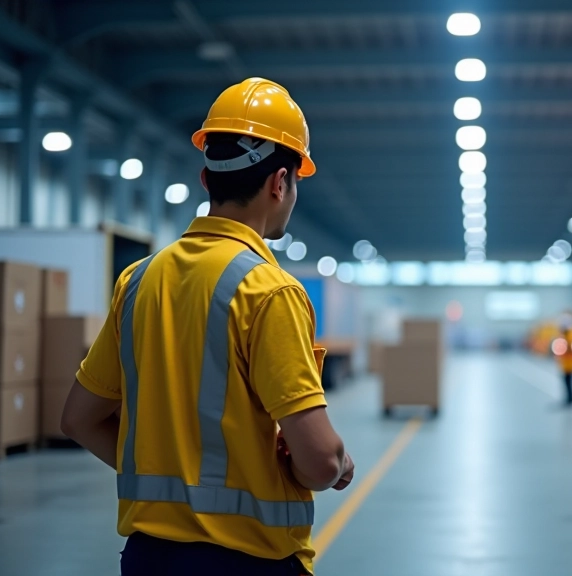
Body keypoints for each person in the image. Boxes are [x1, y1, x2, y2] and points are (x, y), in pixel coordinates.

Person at [60, 77, 352, 576]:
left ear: (206, 178)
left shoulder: (138, 280)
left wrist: (167, 485)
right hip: (247, 560)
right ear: (279, 183)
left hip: (148, 558)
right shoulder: (270, 291)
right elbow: (321, 462)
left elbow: (80, 419)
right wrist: (336, 463)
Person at [556, 313, 572, 406]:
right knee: (567, 382)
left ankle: (571, 400)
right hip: (565, 363)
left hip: (571, 363)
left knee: (570, 382)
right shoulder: (563, 335)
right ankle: (568, 399)